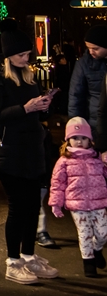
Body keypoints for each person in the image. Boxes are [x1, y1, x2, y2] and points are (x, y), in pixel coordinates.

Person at [0, 20, 59, 285]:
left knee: (33, 205)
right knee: (18, 207)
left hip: (31, 148)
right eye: (22, 55)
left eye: (28, 54)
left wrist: (44, 105)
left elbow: (34, 112)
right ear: (8, 55)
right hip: (8, 150)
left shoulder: (27, 74)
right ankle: (13, 261)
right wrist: (26, 108)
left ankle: (28, 256)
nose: (27, 59)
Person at [48, 117, 107, 277]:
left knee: (103, 233)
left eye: (83, 138)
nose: (79, 141)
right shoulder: (64, 161)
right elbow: (57, 183)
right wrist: (56, 203)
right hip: (77, 205)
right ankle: (88, 262)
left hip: (99, 203)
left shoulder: (97, 158)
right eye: (75, 138)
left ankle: (96, 249)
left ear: (90, 140)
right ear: (68, 140)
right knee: (84, 233)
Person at [68, 25, 107, 146]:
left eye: (95, 48)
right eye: (88, 48)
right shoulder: (84, 64)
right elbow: (75, 97)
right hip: (94, 126)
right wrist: (77, 128)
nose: (91, 52)